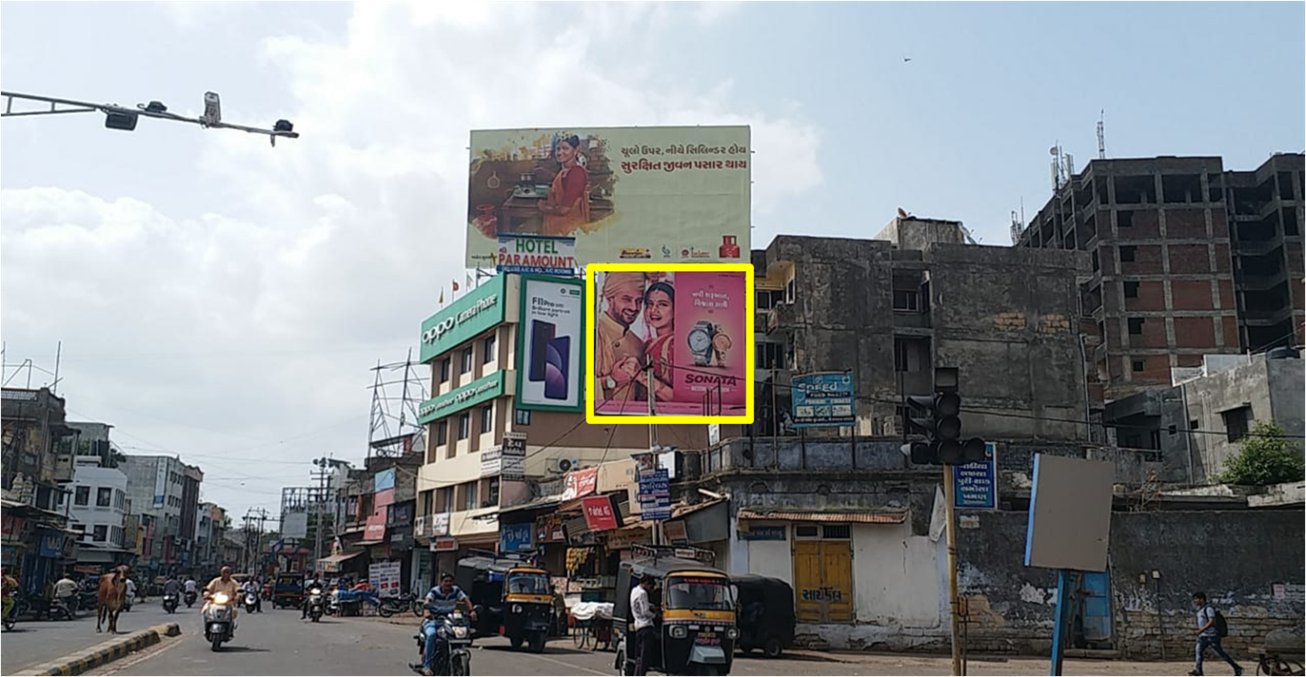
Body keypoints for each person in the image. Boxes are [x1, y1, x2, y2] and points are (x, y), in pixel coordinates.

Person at [595, 272, 647, 409]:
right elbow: (570, 387)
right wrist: (609, 381)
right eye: (626, 299)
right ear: (610, 298)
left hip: (629, 425)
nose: (634, 308)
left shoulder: (637, 344)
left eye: (639, 301)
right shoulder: (591, 332)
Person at [415, 573, 476, 677]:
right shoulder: (435, 591)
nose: (448, 583)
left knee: (460, 633)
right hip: (434, 620)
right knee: (432, 635)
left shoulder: (456, 590)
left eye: (450, 581)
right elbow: (428, 601)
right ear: (441, 582)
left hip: (450, 620)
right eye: (446, 581)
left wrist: (471, 611)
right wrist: (427, 612)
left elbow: (466, 600)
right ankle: (427, 666)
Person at [535, 134, 590, 236]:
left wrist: (544, 208)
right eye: (558, 149)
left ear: (576, 149)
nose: (560, 153)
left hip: (568, 230)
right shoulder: (567, 170)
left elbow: (564, 210)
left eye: (565, 148)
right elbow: (564, 181)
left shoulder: (577, 173)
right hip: (560, 227)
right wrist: (547, 173)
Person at [635, 281, 676, 403]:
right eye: (649, 304)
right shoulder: (647, 343)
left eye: (662, 304)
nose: (654, 310)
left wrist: (641, 376)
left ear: (675, 309)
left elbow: (679, 398)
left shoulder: (675, 344)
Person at [1191, 591, 1242, 677]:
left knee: (1220, 653)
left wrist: (1200, 630)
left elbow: (1212, 621)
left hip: (1212, 636)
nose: (1195, 601)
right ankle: (1198, 671)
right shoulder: (1201, 609)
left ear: (1202, 599)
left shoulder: (1209, 609)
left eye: (1196, 599)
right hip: (1203, 636)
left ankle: (1237, 667)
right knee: (1198, 652)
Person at [631, 574, 660, 677]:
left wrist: (651, 606)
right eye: (651, 587)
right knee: (644, 658)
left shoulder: (634, 591)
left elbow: (641, 605)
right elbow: (645, 611)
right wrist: (655, 615)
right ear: (646, 584)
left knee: (639, 658)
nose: (651, 589)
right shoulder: (643, 593)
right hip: (646, 626)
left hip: (638, 625)